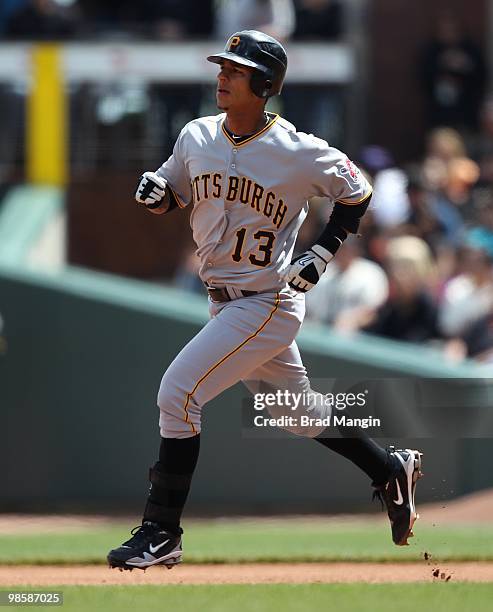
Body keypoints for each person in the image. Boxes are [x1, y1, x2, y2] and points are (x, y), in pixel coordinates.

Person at [107, 30, 423, 571]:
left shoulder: (296, 151)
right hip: (223, 299)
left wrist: (323, 251)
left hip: (266, 301)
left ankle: (162, 533)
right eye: (222, 68)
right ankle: (389, 468)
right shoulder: (196, 135)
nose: (222, 77)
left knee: (177, 393)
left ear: (265, 84)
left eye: (235, 70)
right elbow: (175, 191)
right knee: (296, 413)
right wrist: (157, 196)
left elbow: (357, 191)